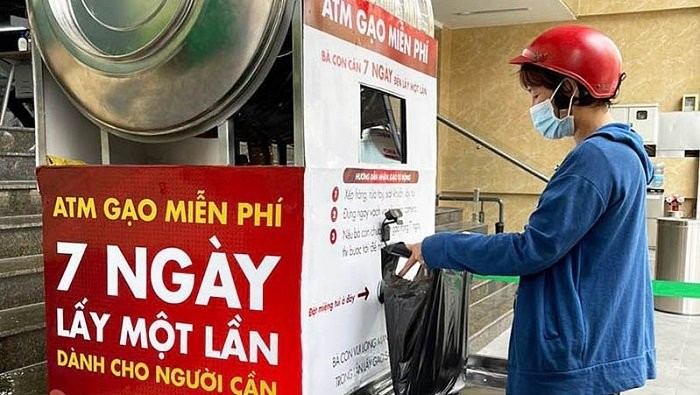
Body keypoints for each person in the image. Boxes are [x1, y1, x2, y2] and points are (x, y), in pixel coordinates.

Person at [399, 25, 656, 395]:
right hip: (598, 341)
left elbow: (530, 250)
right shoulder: (623, 155)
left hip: (572, 356)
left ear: (568, 90)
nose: (532, 106)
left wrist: (437, 247)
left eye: (536, 93)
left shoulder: (595, 160)